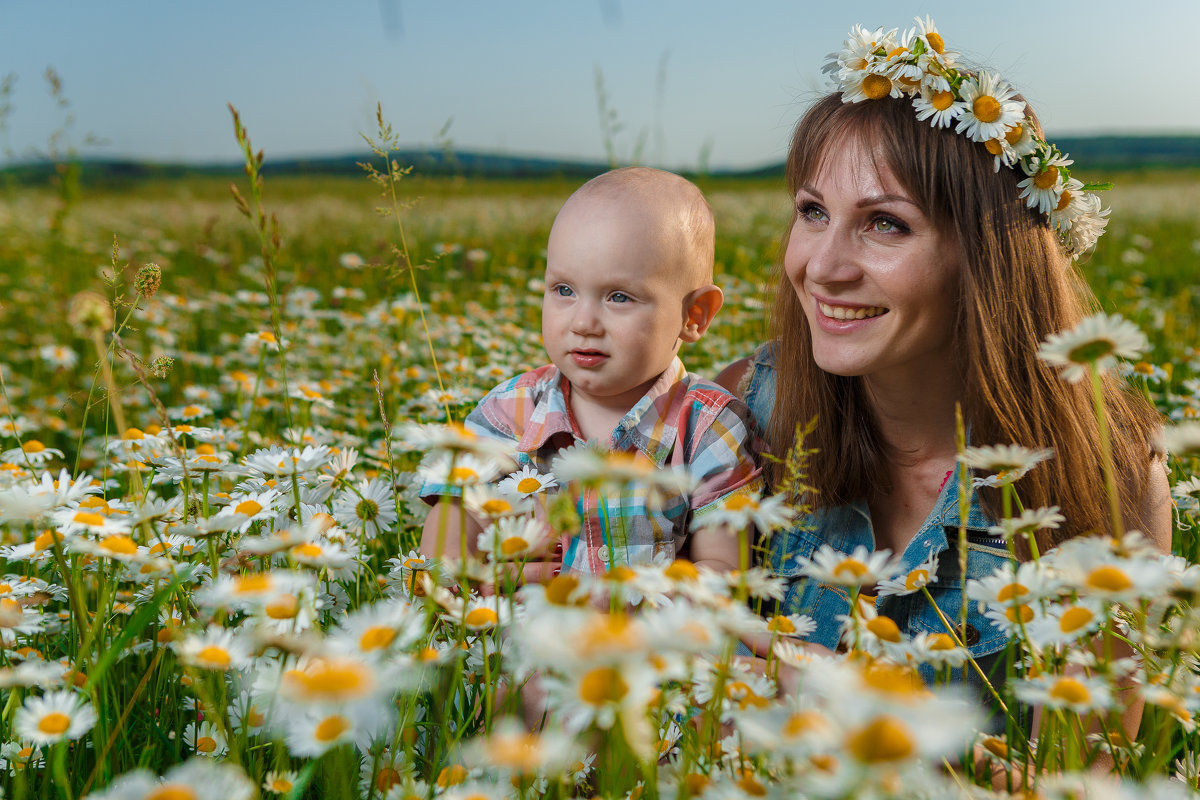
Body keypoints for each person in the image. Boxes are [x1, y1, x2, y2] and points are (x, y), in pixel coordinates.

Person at [716, 19, 1171, 738]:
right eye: (812, 212)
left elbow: (1096, 762)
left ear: (986, 255)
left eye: (885, 224)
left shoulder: (1105, 470)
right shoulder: (740, 412)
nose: (822, 266)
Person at [421, 166, 762, 580]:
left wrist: (614, 599)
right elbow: (453, 526)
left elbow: (723, 570)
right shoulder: (511, 409)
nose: (582, 322)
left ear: (694, 315)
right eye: (564, 290)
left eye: (618, 297)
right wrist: (477, 581)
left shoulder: (708, 429)